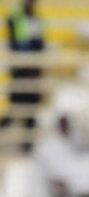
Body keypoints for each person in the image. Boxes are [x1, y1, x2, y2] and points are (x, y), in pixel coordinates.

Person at [0, 0, 44, 130]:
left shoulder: (35, 18)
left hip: (32, 65)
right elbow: (15, 41)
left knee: (31, 97)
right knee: (17, 96)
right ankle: (12, 122)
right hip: (20, 64)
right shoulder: (16, 17)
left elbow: (39, 42)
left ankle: (28, 126)